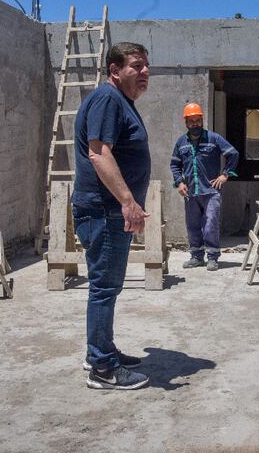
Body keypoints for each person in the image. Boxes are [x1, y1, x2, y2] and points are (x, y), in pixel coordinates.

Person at [72, 41, 152, 391]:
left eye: (147, 66)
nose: (144, 72)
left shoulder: (121, 102)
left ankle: (102, 352)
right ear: (114, 70)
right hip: (104, 211)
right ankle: (102, 369)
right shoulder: (108, 99)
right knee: (104, 288)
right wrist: (127, 202)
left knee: (108, 286)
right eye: (136, 66)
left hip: (107, 210)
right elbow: (99, 154)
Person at [170, 102, 239, 271]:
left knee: (210, 225)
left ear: (202, 120)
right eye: (191, 121)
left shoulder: (213, 139)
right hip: (190, 192)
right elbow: (174, 164)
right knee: (193, 226)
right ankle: (196, 257)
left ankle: (213, 257)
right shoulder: (181, 142)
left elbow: (233, 154)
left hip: (210, 191)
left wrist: (225, 174)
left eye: (198, 120)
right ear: (186, 122)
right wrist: (179, 182)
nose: (195, 124)